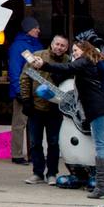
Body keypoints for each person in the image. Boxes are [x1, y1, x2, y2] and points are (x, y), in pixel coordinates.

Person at [33, 40, 104, 199]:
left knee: (102, 146)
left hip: (102, 108)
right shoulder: (101, 62)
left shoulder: (85, 61)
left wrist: (43, 65)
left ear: (85, 50)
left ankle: (101, 186)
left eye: (76, 50)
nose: (74, 54)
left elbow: (66, 67)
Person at [20, 34, 69, 185]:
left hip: (55, 109)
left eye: (62, 46)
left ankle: (52, 173)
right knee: (35, 142)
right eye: (57, 44)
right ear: (52, 43)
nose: (59, 48)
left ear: (66, 48)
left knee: (53, 143)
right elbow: (25, 78)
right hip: (36, 107)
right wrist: (26, 100)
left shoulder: (69, 61)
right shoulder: (37, 56)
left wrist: (65, 76)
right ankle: (37, 172)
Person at [8, 16, 41, 164]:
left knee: (34, 124)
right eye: (35, 28)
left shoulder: (38, 45)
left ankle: (33, 154)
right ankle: (16, 154)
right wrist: (18, 90)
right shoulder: (17, 46)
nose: (38, 30)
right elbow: (14, 71)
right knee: (19, 123)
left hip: (36, 91)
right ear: (28, 29)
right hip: (22, 90)